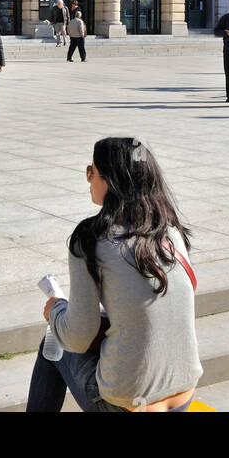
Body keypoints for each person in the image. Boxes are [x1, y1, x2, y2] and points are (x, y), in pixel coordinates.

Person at [25, 136, 202, 413]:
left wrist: (56, 309)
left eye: (90, 172)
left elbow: (77, 337)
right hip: (183, 393)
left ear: (108, 180)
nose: (88, 180)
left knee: (53, 340)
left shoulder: (91, 239)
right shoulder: (171, 231)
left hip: (124, 405)